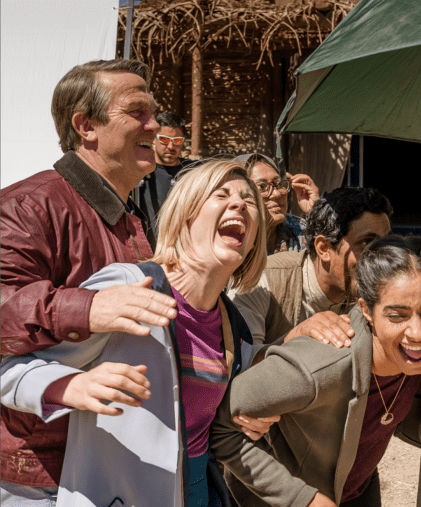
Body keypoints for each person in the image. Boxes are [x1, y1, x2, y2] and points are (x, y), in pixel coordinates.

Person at [2, 161, 268, 506]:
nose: (239, 204)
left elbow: (216, 422)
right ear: (185, 215)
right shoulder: (131, 283)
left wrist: (255, 413)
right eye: (221, 194)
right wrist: (69, 385)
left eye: (249, 200)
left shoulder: (234, 325)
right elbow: (10, 369)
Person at [0, 59, 180, 503]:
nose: (154, 125)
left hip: (108, 464)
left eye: (153, 112)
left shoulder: (130, 219)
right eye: (137, 111)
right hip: (37, 474)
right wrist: (88, 308)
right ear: (86, 126)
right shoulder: (28, 205)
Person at [212, 236, 421, 507]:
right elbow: (221, 425)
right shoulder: (319, 366)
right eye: (397, 315)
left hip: (357, 490)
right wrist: (303, 499)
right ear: (366, 310)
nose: (417, 332)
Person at [230, 186, 393, 352]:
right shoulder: (262, 281)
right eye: (366, 243)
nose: (383, 257)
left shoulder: (381, 288)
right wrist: (295, 337)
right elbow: (240, 362)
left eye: (386, 243)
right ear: (324, 248)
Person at [234, 153, 320, 255]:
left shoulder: (299, 229)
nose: (277, 193)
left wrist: (316, 211)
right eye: (262, 187)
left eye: (278, 183)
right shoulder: (232, 238)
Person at [136, 110, 195, 247]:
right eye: (164, 140)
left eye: (177, 141)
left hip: (183, 250)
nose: (170, 146)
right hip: (149, 251)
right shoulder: (140, 170)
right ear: (154, 139)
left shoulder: (193, 172)